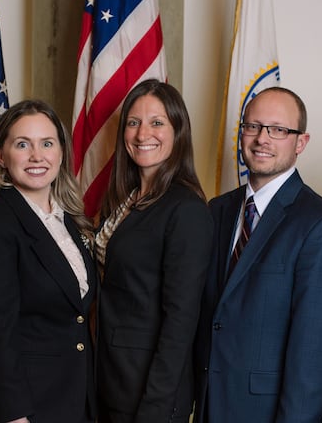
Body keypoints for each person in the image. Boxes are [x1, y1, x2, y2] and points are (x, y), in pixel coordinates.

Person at [193, 87, 322, 423]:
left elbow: (315, 354)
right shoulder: (218, 211)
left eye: (278, 130)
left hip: (268, 414)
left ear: (301, 142)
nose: (261, 139)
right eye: (253, 127)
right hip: (211, 405)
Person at [0, 100, 98, 423]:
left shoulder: (69, 223)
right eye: (23, 144)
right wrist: (13, 414)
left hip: (76, 401)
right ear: (0, 156)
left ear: (61, 152)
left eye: (47, 143)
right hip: (28, 408)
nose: (37, 156)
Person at [95, 79, 213, 423]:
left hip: (149, 394)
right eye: (133, 122)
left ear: (178, 132)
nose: (143, 132)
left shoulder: (185, 209)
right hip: (111, 379)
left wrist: (156, 407)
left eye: (157, 122)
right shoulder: (126, 200)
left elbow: (181, 319)